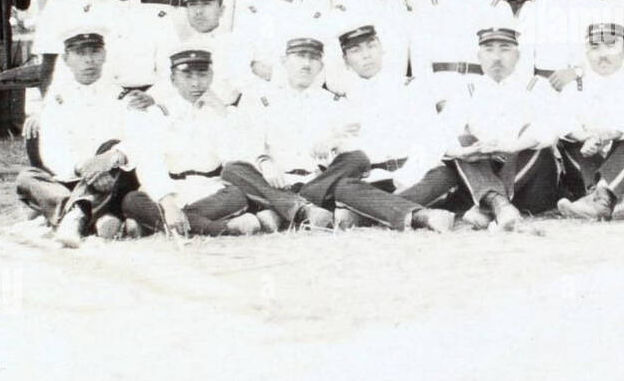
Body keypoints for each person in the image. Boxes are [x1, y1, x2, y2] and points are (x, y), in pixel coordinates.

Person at [322, 23, 459, 233]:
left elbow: (430, 138)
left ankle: (366, 214)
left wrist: (406, 177)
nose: (366, 55)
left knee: (444, 175)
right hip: (374, 179)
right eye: (356, 50)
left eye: (371, 46)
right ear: (346, 60)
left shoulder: (410, 87)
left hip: (416, 174)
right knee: (342, 188)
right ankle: (421, 216)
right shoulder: (342, 100)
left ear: (381, 49)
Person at [14, 24, 136, 247]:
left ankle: (72, 218)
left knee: (116, 151)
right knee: (26, 178)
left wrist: (107, 161)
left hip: (110, 179)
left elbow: (134, 141)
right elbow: (51, 148)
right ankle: (89, 213)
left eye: (94, 52)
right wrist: (81, 167)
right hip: (70, 178)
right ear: (67, 59)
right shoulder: (58, 99)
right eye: (80, 53)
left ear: (104, 55)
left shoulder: (121, 95)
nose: (88, 60)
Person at [222, 35, 358, 231]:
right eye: (300, 56)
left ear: (321, 66)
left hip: (318, 182)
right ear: (284, 62)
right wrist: (265, 162)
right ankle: (301, 210)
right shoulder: (260, 98)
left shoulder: (332, 103)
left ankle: (282, 211)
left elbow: (352, 140)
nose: (306, 64)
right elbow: (248, 141)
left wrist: (335, 141)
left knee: (357, 158)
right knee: (232, 169)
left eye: (313, 58)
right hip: (276, 182)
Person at [120, 48, 261, 237]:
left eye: (202, 75)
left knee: (238, 196)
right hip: (170, 188)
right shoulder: (157, 114)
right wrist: (169, 206)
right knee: (132, 200)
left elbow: (236, 157)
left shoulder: (221, 112)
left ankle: (155, 225)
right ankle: (222, 230)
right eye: (187, 76)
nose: (196, 83)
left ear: (211, 76)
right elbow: (150, 163)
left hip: (211, 189)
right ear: (173, 80)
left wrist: (223, 113)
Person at [436, 20, 562, 230]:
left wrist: (512, 146)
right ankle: (499, 204)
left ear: (518, 56)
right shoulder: (468, 90)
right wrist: (464, 151)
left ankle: (488, 204)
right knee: (463, 142)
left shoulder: (536, 86)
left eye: (505, 49)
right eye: (488, 50)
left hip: (533, 184)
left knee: (533, 140)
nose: (496, 57)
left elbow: (550, 131)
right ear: (479, 57)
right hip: (487, 171)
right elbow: (442, 132)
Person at [555, 15, 624, 221]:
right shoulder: (574, 88)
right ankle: (618, 199)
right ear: (586, 52)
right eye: (595, 47)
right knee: (572, 142)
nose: (602, 55)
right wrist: (586, 137)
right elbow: (563, 124)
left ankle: (602, 196)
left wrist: (606, 135)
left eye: (610, 46)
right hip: (586, 169)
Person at [35, 0, 168, 95]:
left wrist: (152, 98)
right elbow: (64, 73)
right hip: (103, 101)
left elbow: (168, 72)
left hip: (143, 101)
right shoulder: (88, 16)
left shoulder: (158, 20)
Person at [231, 0, 326, 83]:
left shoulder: (316, 16)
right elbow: (239, 64)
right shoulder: (252, 15)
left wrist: (274, 74)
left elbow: (325, 67)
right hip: (262, 95)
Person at [153, 0, 247, 106]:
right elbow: (165, 87)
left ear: (221, 10)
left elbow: (242, 91)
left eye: (206, 4)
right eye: (192, 4)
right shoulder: (176, 46)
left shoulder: (238, 46)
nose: (198, 11)